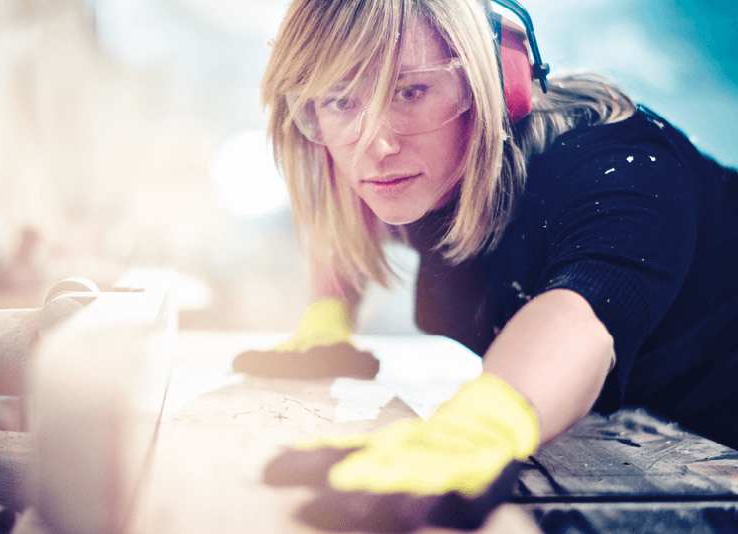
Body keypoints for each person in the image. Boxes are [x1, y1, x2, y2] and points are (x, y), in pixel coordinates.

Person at [256, 0, 738, 528]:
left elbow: (579, 316)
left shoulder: (622, 170)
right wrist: (327, 320)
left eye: (410, 91)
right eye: (341, 101)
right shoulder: (413, 165)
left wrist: (477, 427)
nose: (376, 145)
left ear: (496, 83)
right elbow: (342, 209)